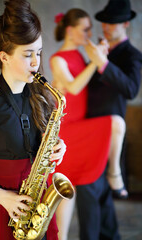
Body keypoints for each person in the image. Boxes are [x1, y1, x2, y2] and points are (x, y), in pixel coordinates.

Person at [0, 0, 67, 240]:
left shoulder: (42, 97)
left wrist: (58, 148)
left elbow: (45, 145)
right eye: (27, 54)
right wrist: (0, 196)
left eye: (38, 52)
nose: (35, 62)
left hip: (35, 208)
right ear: (4, 56)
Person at [49, 8, 124, 240]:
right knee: (65, 192)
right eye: (86, 29)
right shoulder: (57, 59)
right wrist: (96, 61)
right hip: (69, 130)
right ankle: (115, 174)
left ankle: (113, 173)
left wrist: (97, 59)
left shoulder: (80, 56)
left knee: (69, 188)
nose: (90, 33)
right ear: (71, 30)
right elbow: (73, 87)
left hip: (81, 128)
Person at [76, 0, 142, 240]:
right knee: (98, 191)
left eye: (112, 22)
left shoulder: (132, 55)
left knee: (90, 189)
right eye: (104, 20)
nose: (105, 26)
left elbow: (131, 89)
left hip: (108, 133)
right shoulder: (102, 49)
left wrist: (102, 63)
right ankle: (110, 236)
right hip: (86, 129)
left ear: (125, 24)